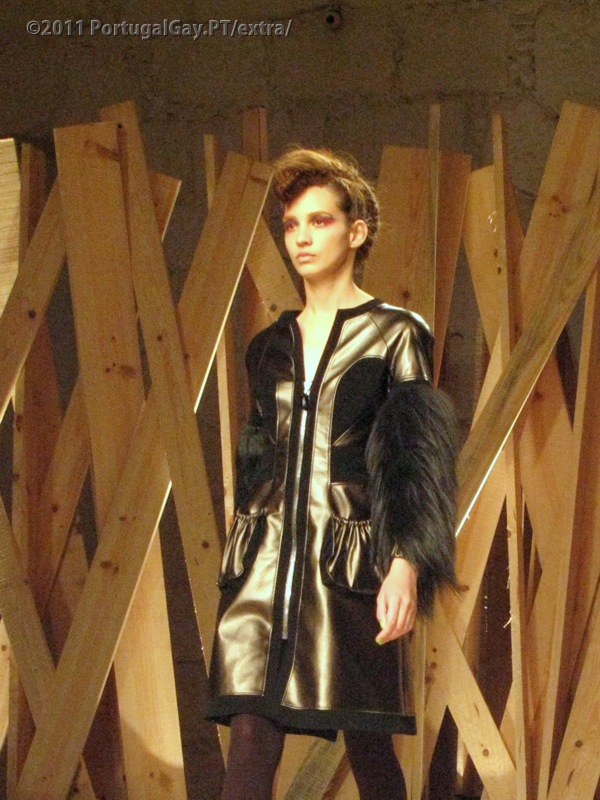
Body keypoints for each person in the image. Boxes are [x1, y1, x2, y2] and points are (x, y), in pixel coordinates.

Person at [206, 148, 458, 800]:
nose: (302, 237)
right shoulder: (267, 348)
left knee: (368, 744)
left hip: (345, 564)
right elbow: (257, 455)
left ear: (356, 231)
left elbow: (416, 459)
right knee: (252, 732)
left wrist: (405, 564)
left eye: (319, 221)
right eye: (292, 224)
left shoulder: (396, 334)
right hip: (262, 567)